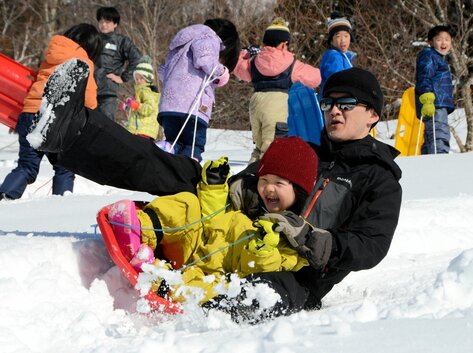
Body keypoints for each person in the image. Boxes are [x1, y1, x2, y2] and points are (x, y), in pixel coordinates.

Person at [27, 62, 402, 323]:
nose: (335, 110)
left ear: (372, 115)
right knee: (186, 173)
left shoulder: (378, 178)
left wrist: (319, 244)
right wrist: (239, 185)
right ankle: (73, 133)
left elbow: (372, 245)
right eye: (330, 102)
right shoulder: (308, 150)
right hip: (237, 230)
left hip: (293, 269)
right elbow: (256, 176)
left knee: (264, 291)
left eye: (347, 104)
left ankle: (199, 305)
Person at [106, 137, 322, 304]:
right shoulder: (248, 201)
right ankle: (138, 230)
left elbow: (267, 271)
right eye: (264, 180)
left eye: (279, 183)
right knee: (188, 203)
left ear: (299, 192)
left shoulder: (294, 235)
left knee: (213, 290)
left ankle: (161, 283)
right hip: (193, 245)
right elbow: (213, 217)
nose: (268, 188)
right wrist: (214, 186)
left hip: (215, 275)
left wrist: (262, 250)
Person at [0, 23, 102, 201]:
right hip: (56, 119)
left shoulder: (52, 54)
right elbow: (89, 100)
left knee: (27, 165)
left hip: (29, 114)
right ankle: (59, 204)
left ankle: (5, 195)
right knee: (64, 166)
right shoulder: (84, 61)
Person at [233, 17, 321, 163]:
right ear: (284, 44)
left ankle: (249, 179)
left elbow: (237, 67)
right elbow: (316, 78)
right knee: (273, 149)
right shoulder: (291, 64)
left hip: (256, 104)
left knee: (259, 146)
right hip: (277, 105)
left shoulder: (253, 61)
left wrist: (244, 54)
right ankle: (267, 181)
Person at [157, 19, 240, 162]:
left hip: (169, 107)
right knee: (194, 144)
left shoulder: (181, 45)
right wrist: (222, 72)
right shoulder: (209, 38)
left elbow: (163, 71)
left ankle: (167, 147)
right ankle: (188, 170)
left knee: (174, 140)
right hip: (192, 108)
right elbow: (206, 60)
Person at [95, 6, 142, 121]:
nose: (103, 24)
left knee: (105, 124)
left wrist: (123, 77)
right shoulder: (93, 39)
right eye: (101, 21)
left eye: (107, 21)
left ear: (115, 24)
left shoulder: (121, 41)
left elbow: (137, 58)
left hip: (107, 92)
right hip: (89, 90)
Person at [415, 25, 455, 154]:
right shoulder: (429, 55)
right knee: (439, 134)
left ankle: (428, 164)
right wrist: (427, 97)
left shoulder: (438, 58)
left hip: (438, 103)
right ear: (431, 42)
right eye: (439, 39)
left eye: (447, 39)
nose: (444, 42)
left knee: (431, 137)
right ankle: (440, 162)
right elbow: (424, 76)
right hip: (434, 103)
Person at [119, 55, 160, 140]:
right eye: (136, 79)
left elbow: (148, 108)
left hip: (144, 130)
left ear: (148, 78)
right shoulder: (139, 91)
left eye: (141, 78)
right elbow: (137, 112)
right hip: (138, 130)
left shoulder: (147, 92)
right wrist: (128, 107)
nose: (138, 81)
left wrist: (136, 105)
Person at [319, 12, 356, 96]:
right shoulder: (333, 56)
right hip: (334, 100)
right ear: (331, 40)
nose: (343, 40)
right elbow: (337, 79)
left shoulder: (345, 57)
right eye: (338, 36)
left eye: (346, 36)